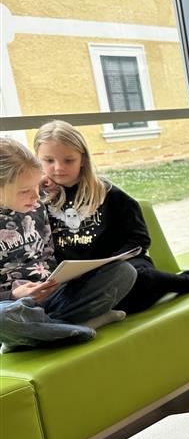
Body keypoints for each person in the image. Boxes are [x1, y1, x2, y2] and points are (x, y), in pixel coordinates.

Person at [33, 120, 189, 314]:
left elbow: (139, 239)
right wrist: (35, 186)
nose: (58, 168)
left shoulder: (108, 193)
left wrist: (111, 262)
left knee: (137, 279)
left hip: (123, 267)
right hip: (77, 280)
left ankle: (183, 282)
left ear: (83, 160)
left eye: (68, 160)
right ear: (37, 161)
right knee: (67, 300)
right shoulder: (34, 200)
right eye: (49, 161)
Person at [0, 137, 136, 351]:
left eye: (36, 186)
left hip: (52, 295)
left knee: (123, 272)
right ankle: (69, 328)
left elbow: (47, 254)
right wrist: (13, 296)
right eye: (25, 191)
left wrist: (62, 279)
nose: (35, 196)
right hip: (11, 306)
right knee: (4, 319)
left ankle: (37, 335)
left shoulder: (36, 204)